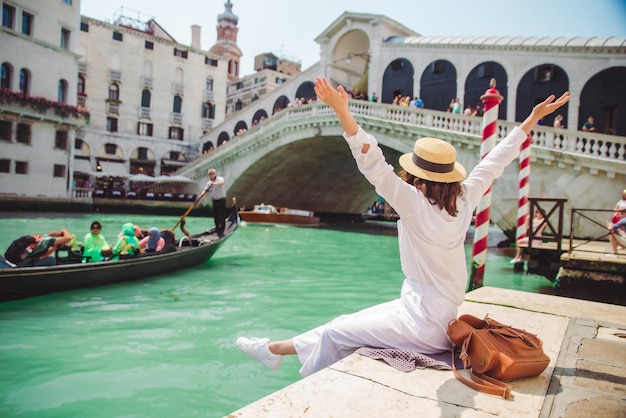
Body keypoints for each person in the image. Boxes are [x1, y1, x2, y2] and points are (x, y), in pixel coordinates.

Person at [235, 76, 570, 377]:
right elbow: (495, 162)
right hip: (439, 316)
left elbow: (373, 163)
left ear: (416, 176)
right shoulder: (465, 198)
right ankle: (274, 350)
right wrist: (530, 121)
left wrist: (342, 111)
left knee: (337, 332)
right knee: (341, 325)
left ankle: (278, 356)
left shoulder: (413, 204)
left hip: (420, 322)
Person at [4, 229, 73, 267]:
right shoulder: (47, 241)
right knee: (51, 260)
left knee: (47, 259)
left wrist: (54, 248)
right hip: (24, 264)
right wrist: (64, 230)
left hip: (18, 262)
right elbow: (68, 238)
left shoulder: (40, 239)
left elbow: (42, 255)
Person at [199, 168, 227, 237]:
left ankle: (222, 229)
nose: (211, 175)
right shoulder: (209, 182)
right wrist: (201, 195)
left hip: (221, 199)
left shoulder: (220, 179)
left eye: (212, 174)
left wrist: (214, 184)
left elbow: (222, 183)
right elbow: (205, 190)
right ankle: (217, 228)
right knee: (215, 215)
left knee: (221, 215)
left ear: (215, 174)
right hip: (214, 200)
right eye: (210, 174)